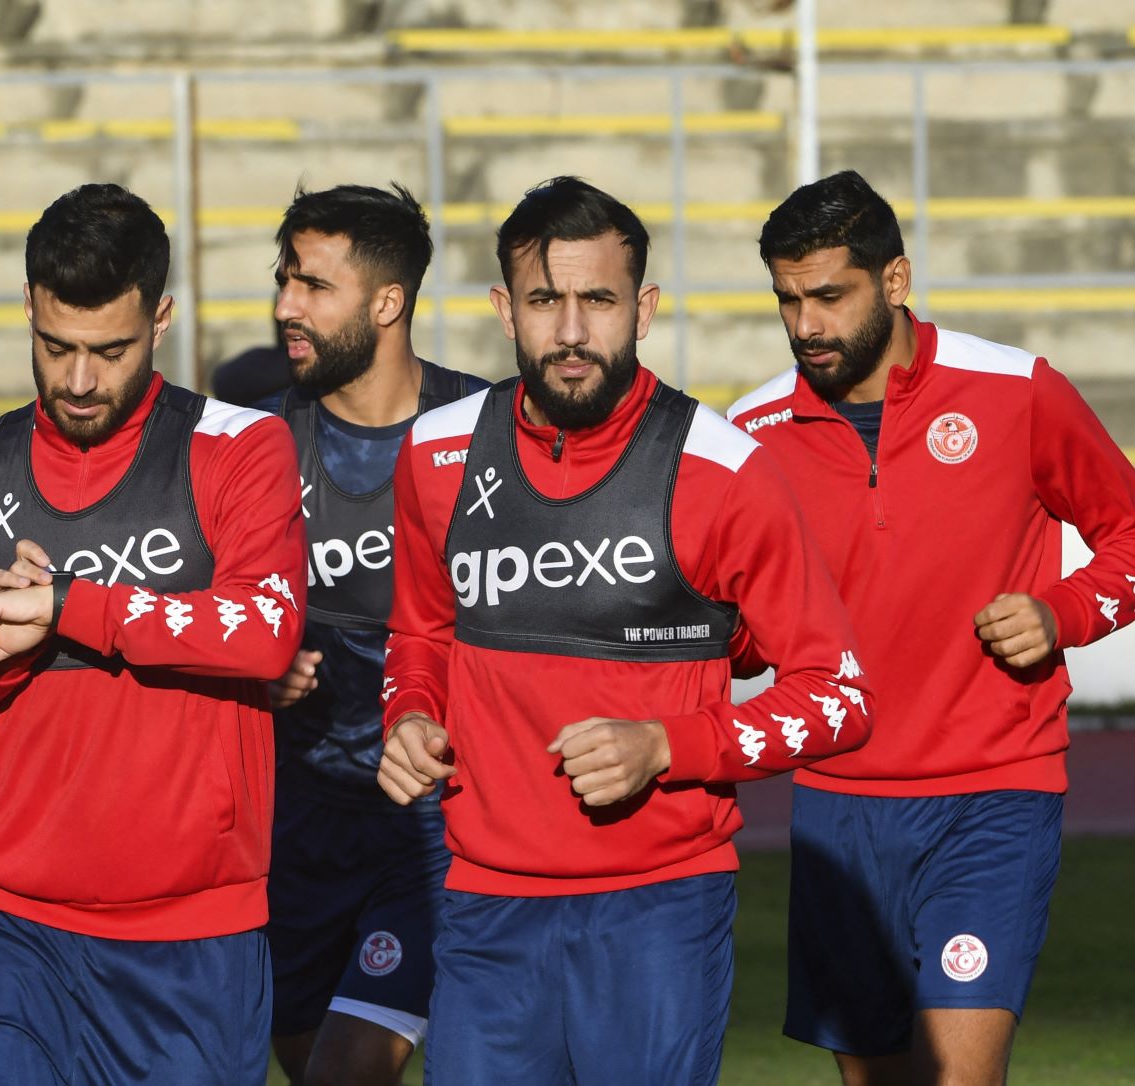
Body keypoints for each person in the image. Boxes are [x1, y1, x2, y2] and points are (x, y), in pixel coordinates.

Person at [377, 176, 872, 1084]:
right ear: (503, 308)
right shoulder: (434, 454)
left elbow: (838, 700)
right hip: (484, 905)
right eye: (544, 301)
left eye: (597, 300)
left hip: (659, 911)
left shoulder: (726, 469)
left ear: (642, 308)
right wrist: (409, 714)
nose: (570, 332)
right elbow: (421, 634)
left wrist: (667, 746)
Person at [0, 182, 307, 1085]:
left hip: (196, 938)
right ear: (29, 309)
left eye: (110, 351)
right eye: (56, 347)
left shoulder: (240, 445)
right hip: (16, 933)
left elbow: (263, 631)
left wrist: (74, 606)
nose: (79, 379)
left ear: (162, 317)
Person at [728, 169, 1135, 1086]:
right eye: (787, 300)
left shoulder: (1018, 391)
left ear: (897, 280)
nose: (806, 325)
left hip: (995, 794)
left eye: (829, 295)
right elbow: (745, 629)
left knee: (960, 1078)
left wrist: (1061, 613)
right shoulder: (751, 433)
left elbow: (1129, 534)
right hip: (836, 804)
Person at [254, 183, 486, 1086]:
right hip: (290, 828)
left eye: (313, 285)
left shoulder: (490, 432)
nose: (285, 307)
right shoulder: (253, 447)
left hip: (431, 827)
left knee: (349, 1070)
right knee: (308, 1059)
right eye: (284, 280)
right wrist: (250, 675)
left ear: (388, 303)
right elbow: (207, 624)